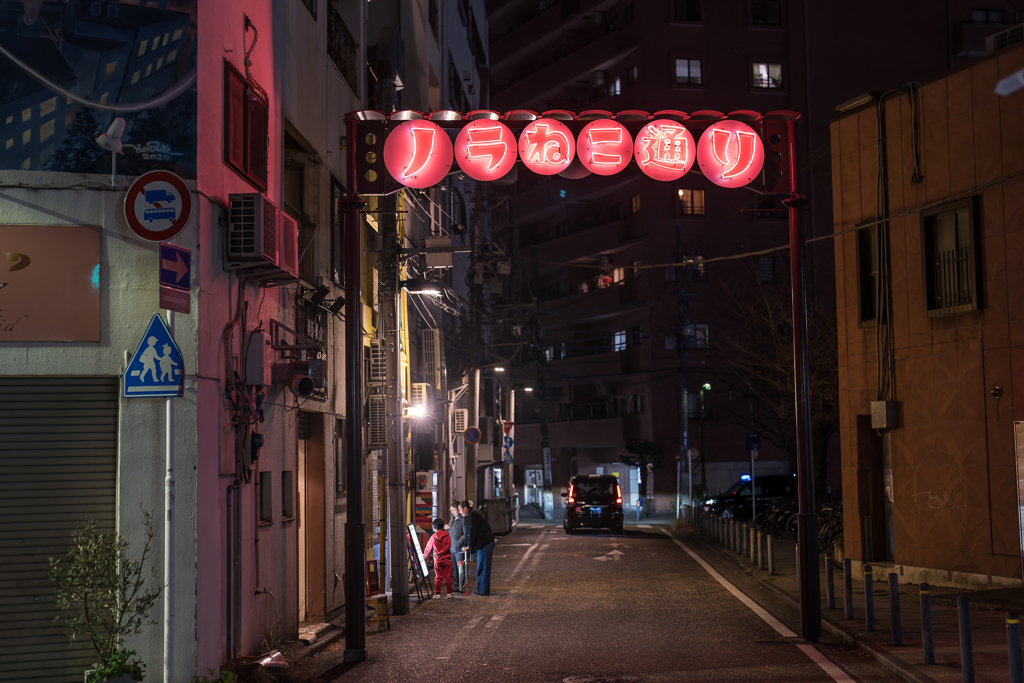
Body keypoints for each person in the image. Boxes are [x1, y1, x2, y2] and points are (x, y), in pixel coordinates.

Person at [459, 499, 495, 596]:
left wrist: (470, 546)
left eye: (460, 509)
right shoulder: (470, 515)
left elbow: (472, 531)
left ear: (465, 509)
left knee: (483, 567)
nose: (459, 512)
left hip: (485, 543)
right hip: (482, 544)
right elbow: (468, 533)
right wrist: (468, 545)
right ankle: (480, 589)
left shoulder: (473, 515)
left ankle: (483, 590)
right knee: (481, 567)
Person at [422, 517, 454, 599]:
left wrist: (424, 555)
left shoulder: (433, 537)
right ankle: (449, 593)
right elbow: (448, 546)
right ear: (443, 526)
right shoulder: (447, 535)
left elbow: (428, 547)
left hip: (437, 560)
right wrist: (442, 552)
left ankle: (438, 594)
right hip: (447, 559)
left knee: (438, 577)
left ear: (434, 528)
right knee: (448, 577)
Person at [446, 501, 468, 594]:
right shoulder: (452, 520)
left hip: (459, 549)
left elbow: (465, 533)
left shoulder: (462, 520)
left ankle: (461, 586)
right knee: (454, 568)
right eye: (451, 510)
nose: (452, 512)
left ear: (458, 510)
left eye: (454, 510)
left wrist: (459, 543)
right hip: (452, 549)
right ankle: (456, 586)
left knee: (460, 568)